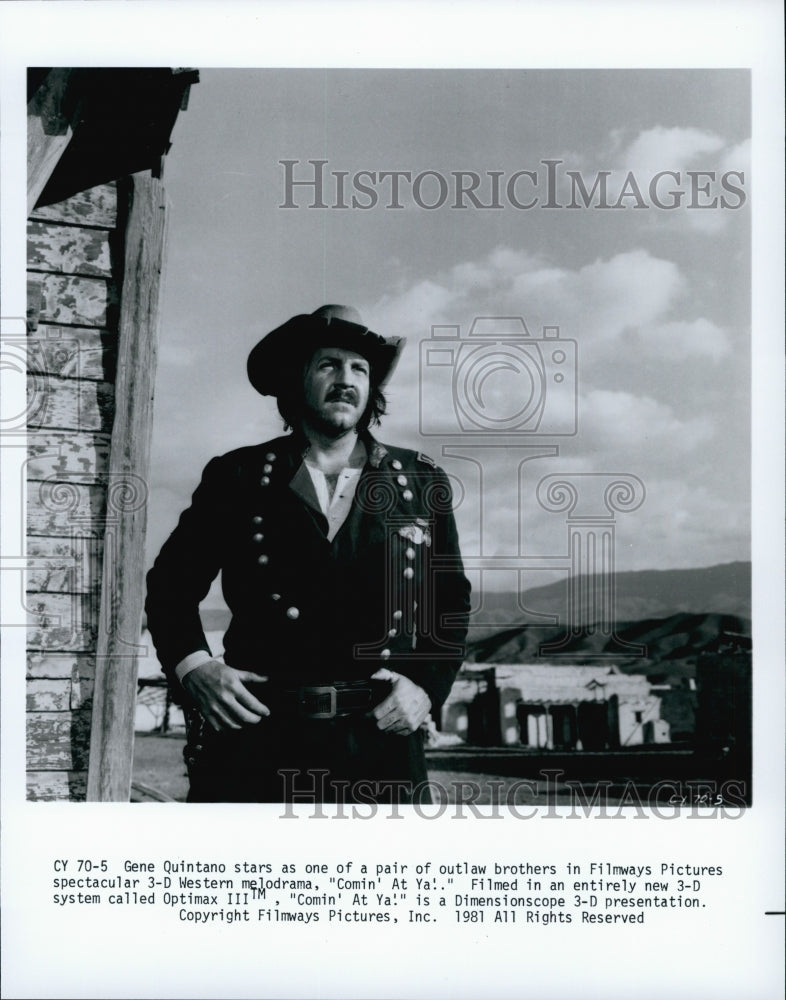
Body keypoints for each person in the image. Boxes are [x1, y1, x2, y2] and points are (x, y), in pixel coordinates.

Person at [145, 304, 471, 803]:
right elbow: (170, 587)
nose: (346, 380)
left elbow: (449, 602)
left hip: (381, 746)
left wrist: (427, 686)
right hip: (258, 742)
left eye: (359, 369)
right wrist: (196, 668)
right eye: (328, 365)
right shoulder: (238, 476)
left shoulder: (421, 481)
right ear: (297, 381)